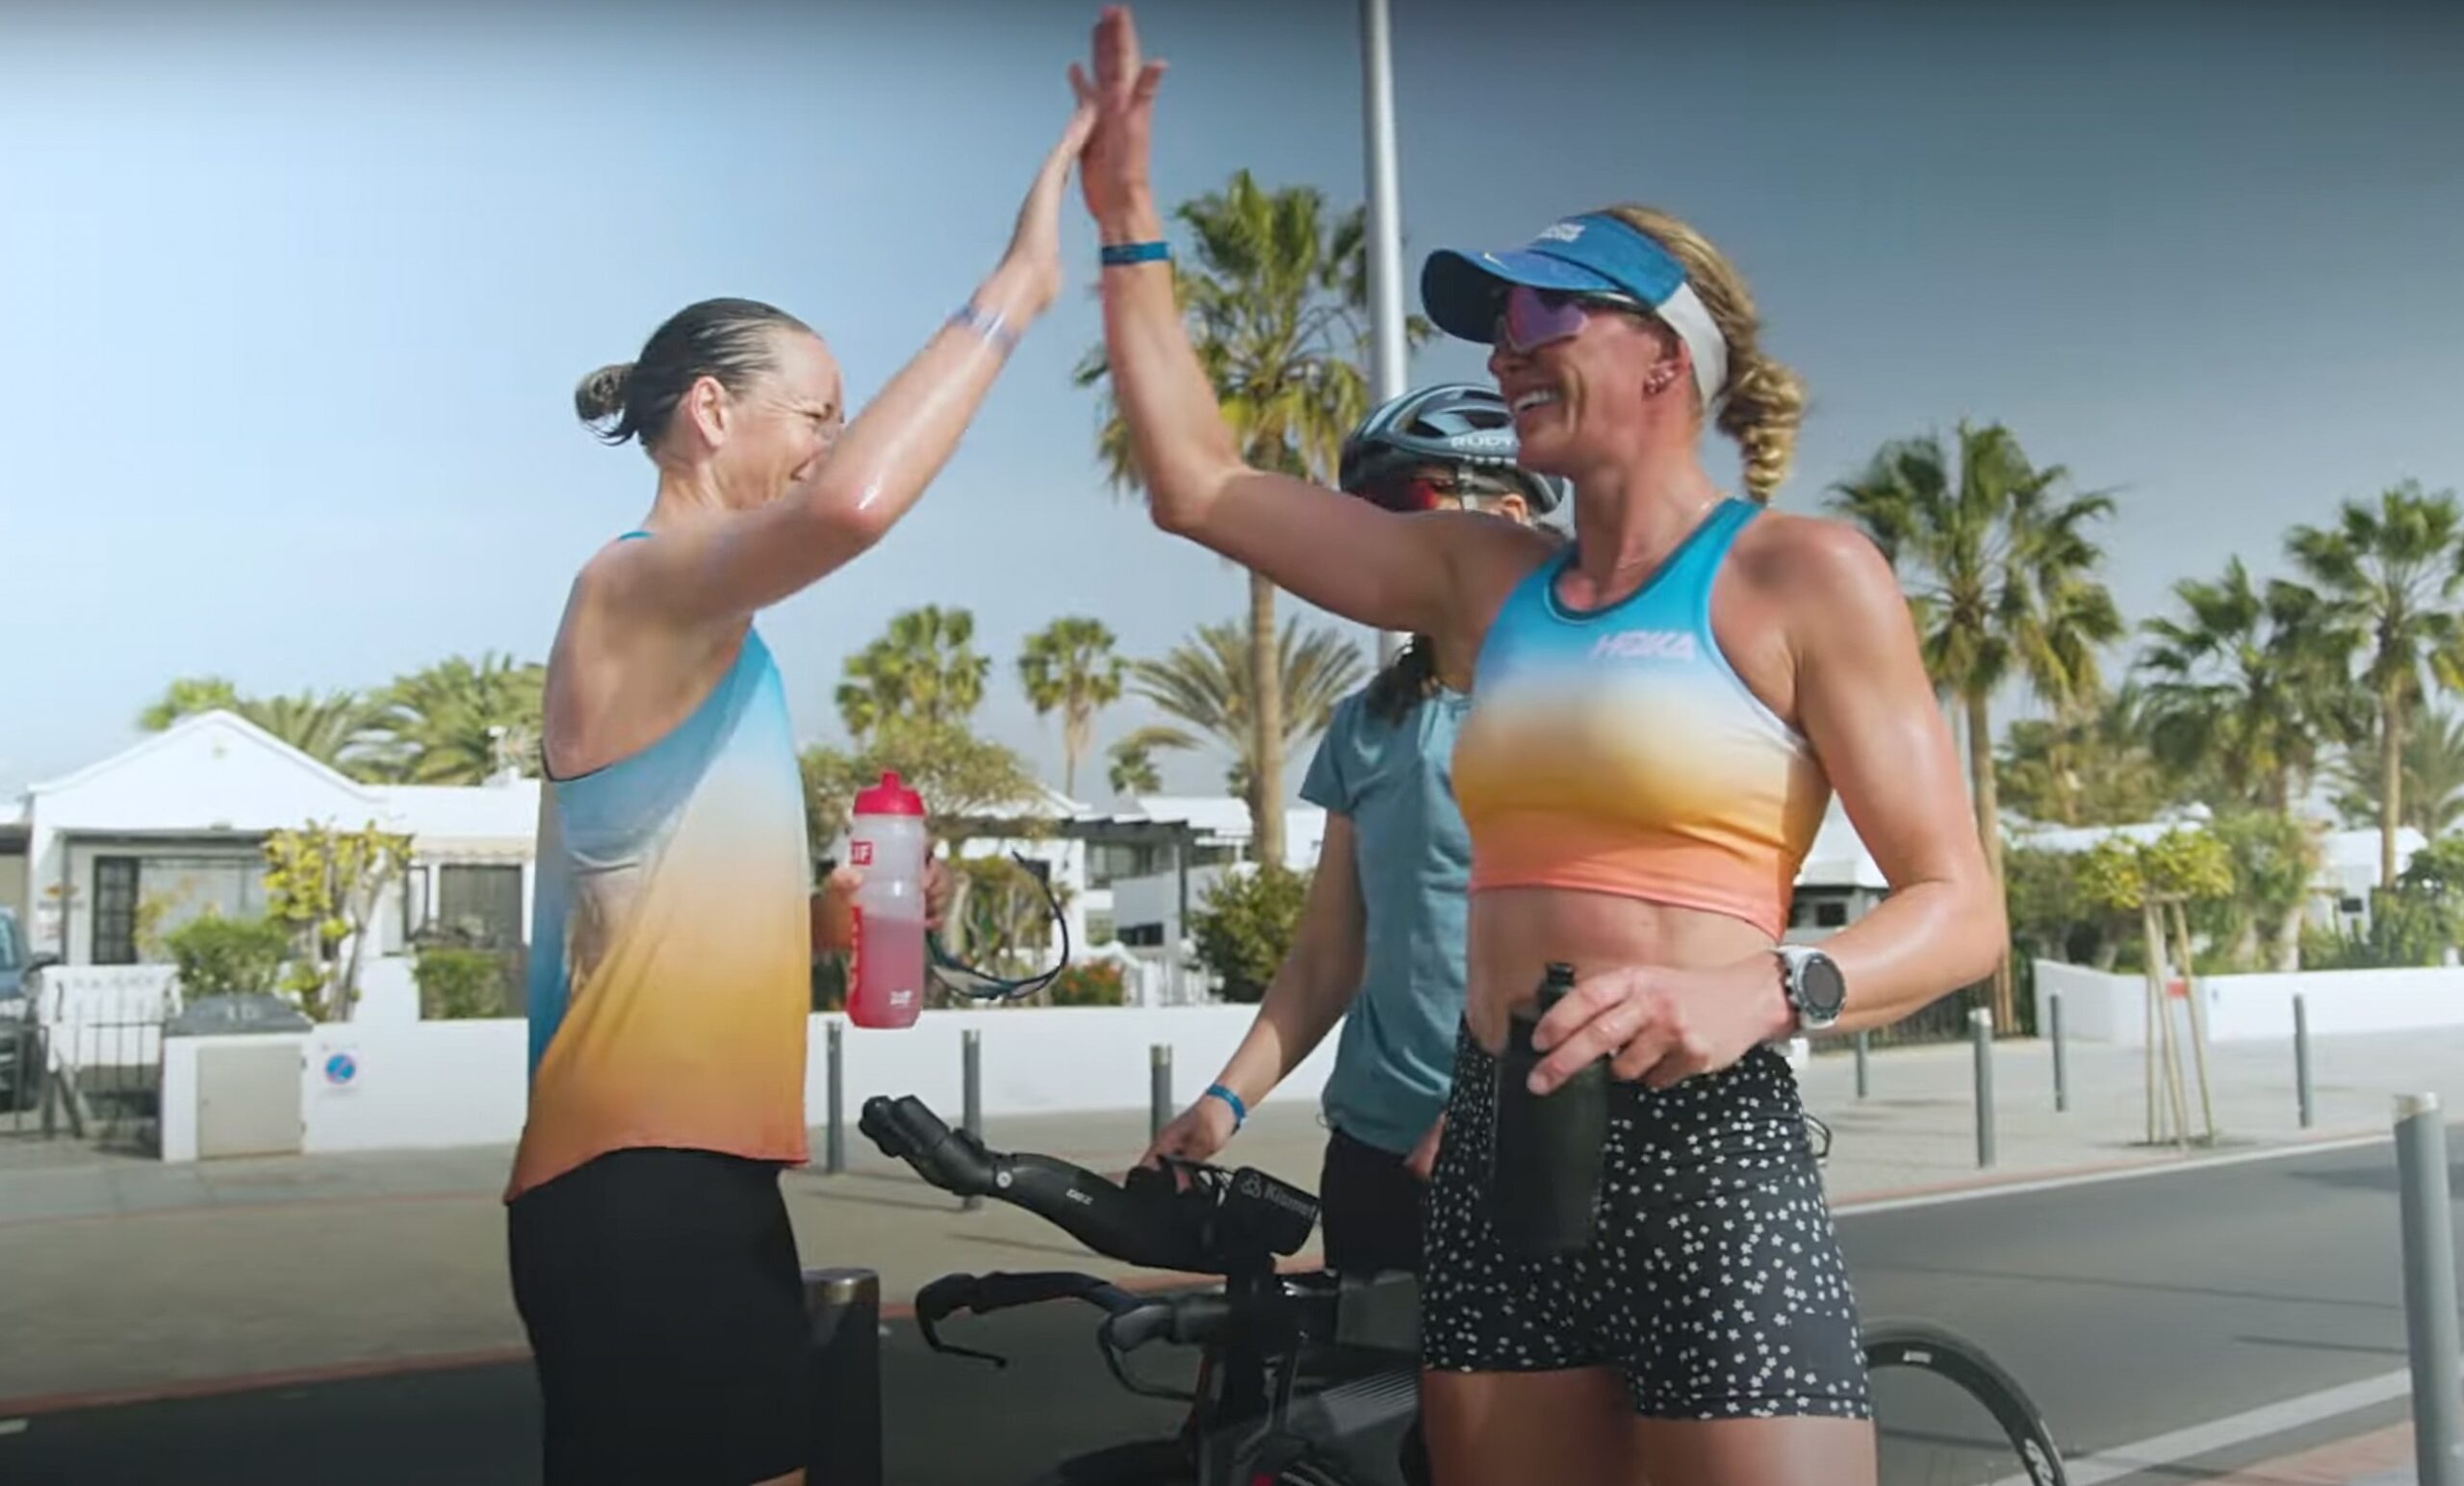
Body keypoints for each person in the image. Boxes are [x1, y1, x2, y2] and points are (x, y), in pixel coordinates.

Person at [1066, 10, 2005, 1484]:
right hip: (1501, 1137)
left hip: (1708, 1142)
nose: (1506, 354)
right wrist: (1127, 229)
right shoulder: (1479, 581)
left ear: (1663, 358)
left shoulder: (1799, 576)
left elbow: (1960, 912)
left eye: (1542, 321)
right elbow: (1196, 484)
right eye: (1498, 330)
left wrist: (1766, 990)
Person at [502, 99, 1094, 1486]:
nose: (830, 441)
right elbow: (849, 511)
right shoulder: (631, 584)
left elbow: (650, 929)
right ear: (712, 411)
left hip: (694, 1178)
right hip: (634, 1182)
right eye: (816, 412)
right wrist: (1018, 287)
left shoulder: (719, 639)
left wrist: (831, 927)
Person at [1141, 384, 1568, 1279]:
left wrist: (1501, 1116)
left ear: (1515, 514)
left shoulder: (1587, 710)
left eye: (1409, 511)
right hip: (1376, 1154)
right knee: (1368, 1409)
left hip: (1532, 1148)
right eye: (1366, 522)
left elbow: (1613, 944)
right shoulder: (1367, 725)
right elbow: (1327, 957)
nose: (1382, 549)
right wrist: (1222, 1105)